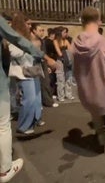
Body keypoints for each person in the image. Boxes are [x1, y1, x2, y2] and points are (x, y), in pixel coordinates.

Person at [0, 15, 56, 183]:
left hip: (30, 71)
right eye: (27, 22)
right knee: (4, 125)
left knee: (35, 99)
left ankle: (32, 122)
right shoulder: (15, 35)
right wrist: (43, 56)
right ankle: (5, 169)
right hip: (21, 73)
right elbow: (17, 46)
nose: (29, 25)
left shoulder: (27, 36)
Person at [72, 7, 105, 154]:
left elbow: (75, 70)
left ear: (82, 21)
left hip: (85, 93)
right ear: (99, 21)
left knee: (95, 111)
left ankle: (100, 135)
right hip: (103, 91)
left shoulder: (75, 43)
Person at [31, 24, 59, 107]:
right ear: (34, 31)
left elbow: (44, 53)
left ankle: (48, 101)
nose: (42, 32)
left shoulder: (42, 41)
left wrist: (47, 64)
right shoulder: (29, 41)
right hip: (34, 63)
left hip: (42, 63)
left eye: (43, 30)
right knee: (36, 84)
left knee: (46, 82)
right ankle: (39, 103)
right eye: (40, 30)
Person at [53, 26, 74, 102]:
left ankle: (68, 94)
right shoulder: (55, 41)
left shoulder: (66, 41)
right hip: (60, 61)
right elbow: (59, 52)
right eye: (64, 32)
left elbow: (71, 49)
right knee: (60, 79)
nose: (66, 34)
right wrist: (66, 53)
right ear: (60, 32)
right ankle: (60, 96)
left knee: (68, 78)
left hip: (68, 60)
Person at [44, 28, 58, 97]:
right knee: (52, 77)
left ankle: (52, 92)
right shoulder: (51, 42)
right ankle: (52, 93)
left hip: (48, 60)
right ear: (52, 35)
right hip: (51, 60)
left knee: (51, 77)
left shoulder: (45, 41)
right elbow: (55, 51)